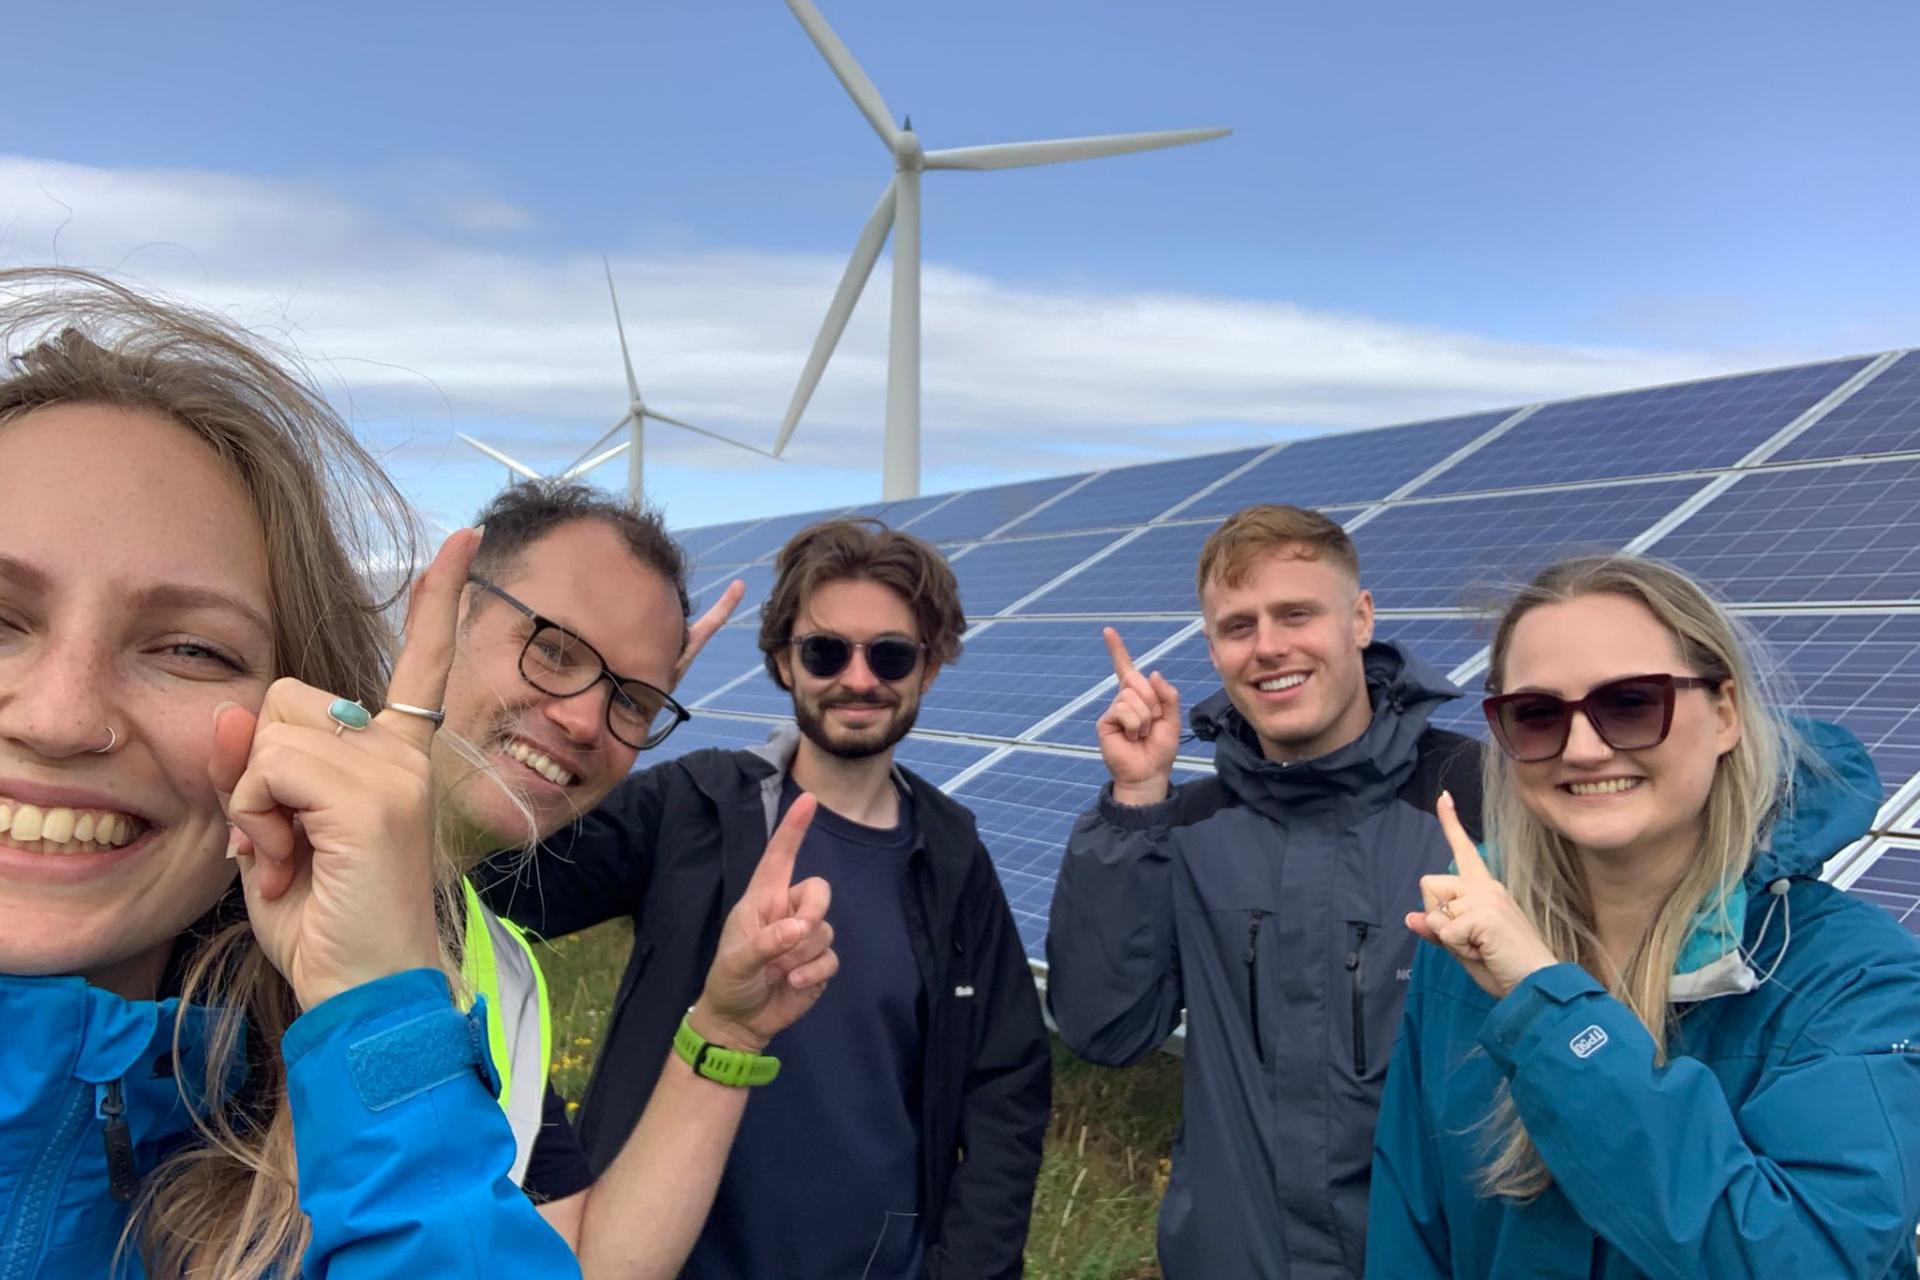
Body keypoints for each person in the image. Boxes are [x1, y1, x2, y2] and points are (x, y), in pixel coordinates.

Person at [0, 268, 834, 1279]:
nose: (584, 718)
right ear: (436, 612)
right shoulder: (183, 921)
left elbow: (585, 1259)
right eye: (554, 649)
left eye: (632, 699)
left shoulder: (495, 974)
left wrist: (725, 1030)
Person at [477, 518, 1051, 1280]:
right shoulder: (693, 805)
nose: (858, 678)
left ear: (930, 668)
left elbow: (1006, 1080)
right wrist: (616, 704)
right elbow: (490, 878)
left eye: (890, 654)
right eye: (824, 652)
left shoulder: (952, 855)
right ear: (784, 661)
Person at [1367, 554, 1920, 1278]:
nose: (1583, 748)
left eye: (1630, 703)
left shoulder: (1853, 979)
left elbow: (1807, 1259)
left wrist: (1547, 1012)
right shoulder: (1465, 946)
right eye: (1537, 715)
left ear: (1724, 714)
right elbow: (1411, 1227)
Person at [1045, 503, 1484, 1279]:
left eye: (1296, 614)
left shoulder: (1479, 805)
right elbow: (1105, 1029)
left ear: (1360, 619)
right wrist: (1134, 802)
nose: (1268, 646)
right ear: (1213, 648)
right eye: (1237, 626)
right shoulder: (1183, 827)